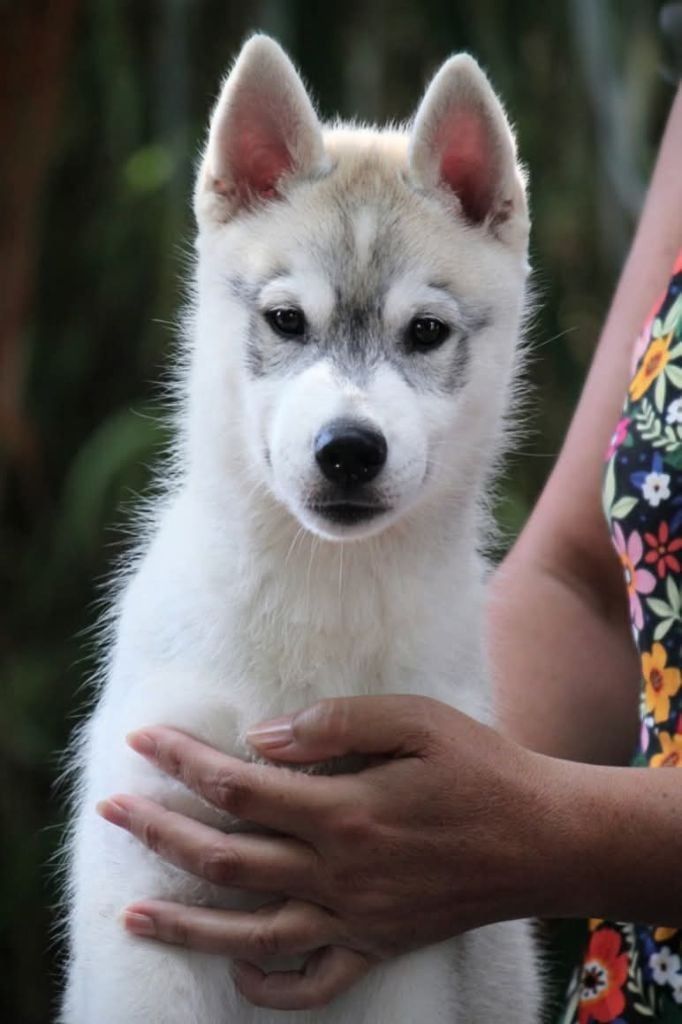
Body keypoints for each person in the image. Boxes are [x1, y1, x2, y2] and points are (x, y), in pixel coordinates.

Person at [95, 77, 682, 1021]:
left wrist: (524, 833)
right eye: (288, 321)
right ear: (235, 194)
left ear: (491, 216)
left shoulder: (440, 647)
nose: (351, 418)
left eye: (426, 333)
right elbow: (585, 581)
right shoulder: (174, 628)